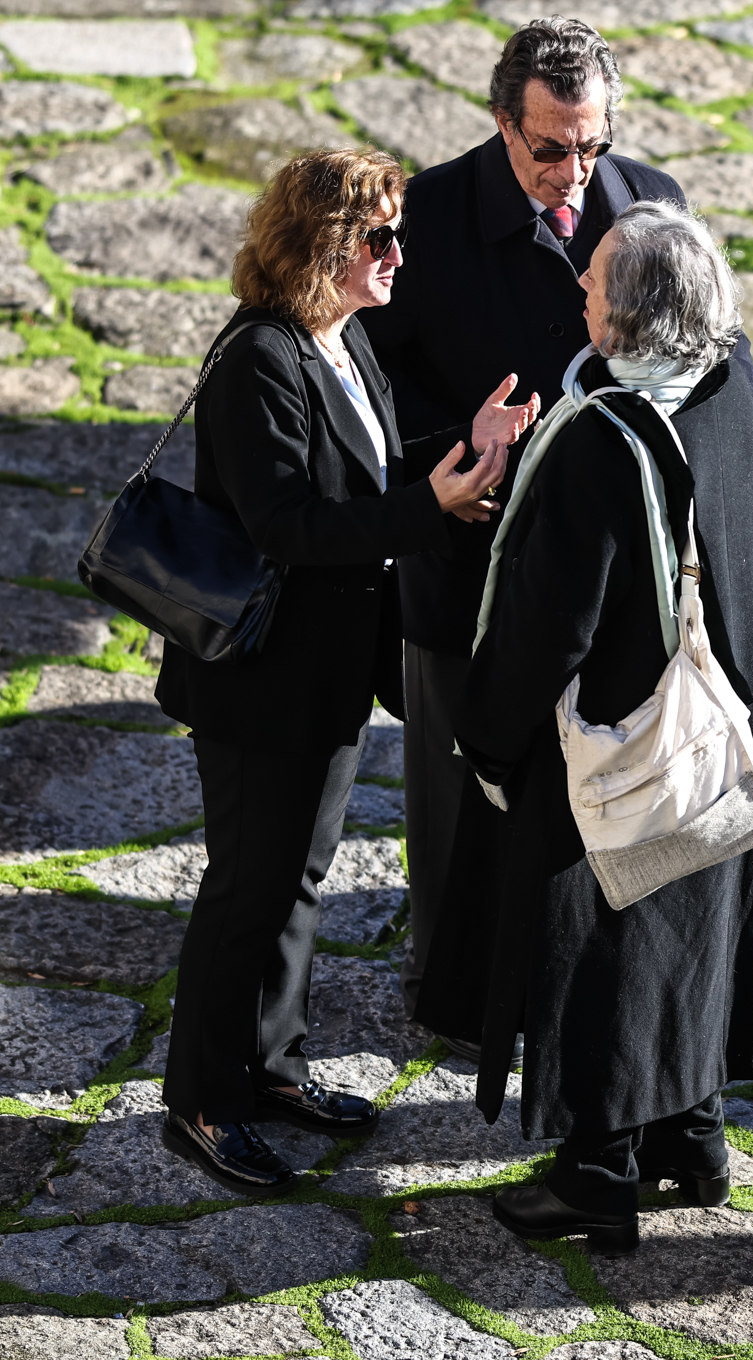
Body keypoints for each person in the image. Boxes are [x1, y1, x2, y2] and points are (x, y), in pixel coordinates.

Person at [155, 148, 537, 1198]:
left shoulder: (343, 337)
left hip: (321, 671)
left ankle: (271, 1071)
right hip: (258, 682)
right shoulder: (258, 360)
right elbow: (289, 524)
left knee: (300, 880)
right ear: (323, 244)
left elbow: (370, 463)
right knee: (247, 891)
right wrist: (432, 507)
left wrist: (463, 444)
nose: (399, 254)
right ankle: (200, 1103)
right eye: (380, 237)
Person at [417, 202, 753, 1255]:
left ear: (627, 320)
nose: (578, 289)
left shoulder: (602, 441)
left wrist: (487, 733)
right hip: (711, 735)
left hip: (617, 751)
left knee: (604, 960)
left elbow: (549, 626)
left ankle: (595, 1178)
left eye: (593, 283)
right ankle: (693, 1139)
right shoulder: (726, 389)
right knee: (690, 938)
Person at [358, 16, 695, 1033]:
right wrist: (456, 445)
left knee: (583, 788)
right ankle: (450, 990)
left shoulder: (651, 202)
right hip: (464, 558)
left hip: (603, 581)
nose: (574, 171)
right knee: (455, 793)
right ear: (502, 120)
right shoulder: (422, 217)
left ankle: (562, 983)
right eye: (550, 147)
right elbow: (366, 385)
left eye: (593, 144)